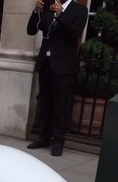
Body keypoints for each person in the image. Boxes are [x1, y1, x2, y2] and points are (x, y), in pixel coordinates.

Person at [26, 0, 87, 157]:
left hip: (64, 67)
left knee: (60, 106)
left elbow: (75, 33)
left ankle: (58, 141)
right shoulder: (47, 8)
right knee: (45, 104)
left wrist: (61, 14)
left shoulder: (79, 10)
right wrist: (36, 12)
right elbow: (31, 30)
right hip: (45, 64)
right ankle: (43, 138)